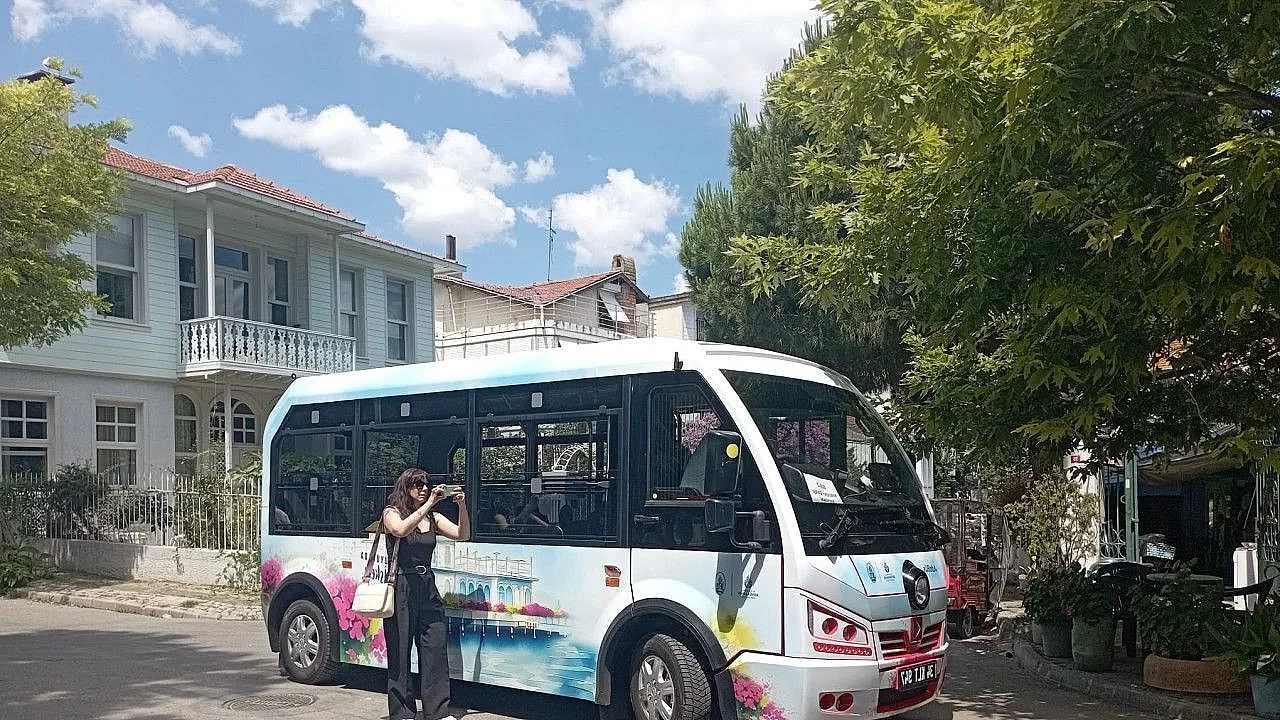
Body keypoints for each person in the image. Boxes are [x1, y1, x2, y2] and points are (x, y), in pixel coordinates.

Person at [380, 468, 470, 720]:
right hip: (402, 584)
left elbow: (462, 535)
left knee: (435, 647)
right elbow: (399, 530)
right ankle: (402, 712)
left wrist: (461, 507)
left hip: (426, 584)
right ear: (405, 488)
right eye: (416, 485)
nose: (423, 489)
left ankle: (438, 711)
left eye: (426, 485)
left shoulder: (434, 517)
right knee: (400, 650)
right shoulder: (391, 513)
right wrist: (429, 503)